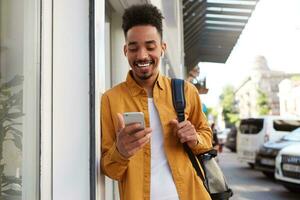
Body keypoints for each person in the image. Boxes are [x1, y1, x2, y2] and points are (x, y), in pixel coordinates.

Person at [101, 4, 212, 200]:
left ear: (162, 48)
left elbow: (206, 139)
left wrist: (194, 138)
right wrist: (121, 151)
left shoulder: (186, 91)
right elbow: (110, 170)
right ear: (125, 50)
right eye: (134, 48)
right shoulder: (110, 100)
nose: (142, 55)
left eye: (150, 47)